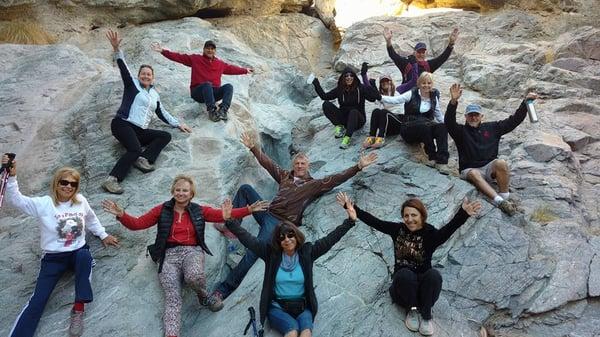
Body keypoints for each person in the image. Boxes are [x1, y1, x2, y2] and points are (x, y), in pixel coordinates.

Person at [210, 131, 378, 306]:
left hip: (278, 223)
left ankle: (222, 291)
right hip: (267, 210)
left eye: (302, 163)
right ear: (293, 164)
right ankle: (232, 227)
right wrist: (253, 147)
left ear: (308, 165)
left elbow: (336, 179)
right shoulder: (285, 176)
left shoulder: (313, 185)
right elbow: (268, 164)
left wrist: (358, 167)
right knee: (245, 189)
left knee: (252, 253)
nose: (299, 166)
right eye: (297, 163)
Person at [101, 175, 268, 337]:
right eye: (178, 190)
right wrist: (121, 214)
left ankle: (203, 296)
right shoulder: (162, 209)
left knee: (194, 276)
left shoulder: (198, 210)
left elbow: (221, 215)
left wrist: (248, 209)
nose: (181, 193)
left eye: (185, 191)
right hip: (168, 256)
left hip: (192, 251)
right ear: (173, 191)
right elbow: (138, 224)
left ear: (191, 194)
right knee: (172, 298)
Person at [3, 155, 119, 337]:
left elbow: (91, 219)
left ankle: (78, 309)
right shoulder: (44, 203)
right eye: (64, 182)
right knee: (38, 300)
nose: (68, 187)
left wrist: (103, 234)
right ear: (56, 183)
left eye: (73, 184)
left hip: (77, 253)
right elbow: (17, 200)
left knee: (85, 257)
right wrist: (12, 177)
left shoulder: (81, 201)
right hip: (53, 259)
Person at [337, 192, 481, 336]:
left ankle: (426, 314)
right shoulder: (397, 230)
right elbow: (375, 222)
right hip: (402, 290)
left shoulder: (430, 234)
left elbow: (449, 229)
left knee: (434, 275)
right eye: (406, 216)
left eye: (414, 215)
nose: (410, 219)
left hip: (424, 291)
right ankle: (411, 310)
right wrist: (350, 207)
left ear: (422, 216)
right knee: (405, 274)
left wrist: (463, 214)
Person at [221, 194, 357, 337]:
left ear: (296, 236)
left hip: (303, 307)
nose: (287, 240)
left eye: (290, 235)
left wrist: (350, 221)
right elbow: (249, 239)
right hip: (278, 307)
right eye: (282, 237)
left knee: (305, 333)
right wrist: (230, 221)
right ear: (278, 241)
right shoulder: (271, 254)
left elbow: (330, 240)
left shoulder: (307, 252)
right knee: (292, 332)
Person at [102, 29, 192, 195]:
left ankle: (144, 159)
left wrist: (179, 124)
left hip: (139, 130)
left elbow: (162, 113)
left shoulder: (154, 94)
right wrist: (117, 50)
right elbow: (124, 68)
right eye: (143, 74)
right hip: (123, 123)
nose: (146, 76)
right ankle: (112, 179)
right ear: (138, 76)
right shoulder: (132, 84)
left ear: (153, 77)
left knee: (165, 136)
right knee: (134, 149)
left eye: (149, 74)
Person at [444, 84, 538, 216]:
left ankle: (505, 198)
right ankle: (499, 201)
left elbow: (514, 121)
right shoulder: (460, 131)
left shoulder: (493, 128)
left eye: (476, 115)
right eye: (470, 115)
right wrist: (453, 101)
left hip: (489, 168)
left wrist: (525, 103)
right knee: (474, 174)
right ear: (465, 117)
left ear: (481, 116)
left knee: (501, 163)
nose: (473, 118)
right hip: (470, 170)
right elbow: (448, 122)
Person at [152, 39, 253, 122]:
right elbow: (179, 57)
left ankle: (223, 110)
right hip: (198, 92)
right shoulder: (196, 59)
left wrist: (245, 70)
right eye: (207, 48)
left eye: (212, 49)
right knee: (207, 85)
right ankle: (212, 111)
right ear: (204, 50)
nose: (210, 50)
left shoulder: (220, 64)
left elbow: (231, 69)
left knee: (229, 87)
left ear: (215, 51)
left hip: (212, 94)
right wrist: (163, 51)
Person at [378, 72, 451, 172]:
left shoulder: (434, 97)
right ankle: (432, 156)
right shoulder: (411, 94)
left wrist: (451, 127)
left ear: (432, 84)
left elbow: (439, 115)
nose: (426, 85)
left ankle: (442, 161)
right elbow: (395, 100)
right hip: (409, 127)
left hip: (426, 126)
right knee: (425, 126)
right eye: (423, 83)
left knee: (442, 127)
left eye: (429, 83)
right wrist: (379, 97)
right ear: (419, 84)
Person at [310, 68, 380, 149]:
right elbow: (324, 96)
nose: (349, 77)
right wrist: (316, 83)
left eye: (351, 75)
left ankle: (347, 138)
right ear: (343, 77)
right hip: (344, 120)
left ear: (354, 77)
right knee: (326, 104)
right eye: (346, 75)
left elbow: (372, 99)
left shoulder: (360, 88)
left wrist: (372, 85)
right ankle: (339, 126)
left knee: (353, 111)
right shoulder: (340, 89)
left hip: (358, 120)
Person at [360, 59, 418, 149]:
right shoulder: (380, 95)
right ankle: (371, 137)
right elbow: (369, 88)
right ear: (380, 84)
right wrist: (364, 74)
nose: (385, 83)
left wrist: (414, 65)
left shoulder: (399, 90)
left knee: (384, 111)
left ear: (391, 81)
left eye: (387, 81)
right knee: (376, 111)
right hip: (387, 126)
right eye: (383, 82)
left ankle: (381, 138)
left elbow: (414, 81)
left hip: (399, 122)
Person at [384, 27, 458, 94]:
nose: (421, 54)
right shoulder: (406, 63)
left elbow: (442, 58)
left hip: (423, 95)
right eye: (419, 52)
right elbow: (393, 55)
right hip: (407, 95)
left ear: (426, 54)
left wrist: (451, 44)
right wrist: (388, 41)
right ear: (414, 53)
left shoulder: (428, 65)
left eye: (423, 52)